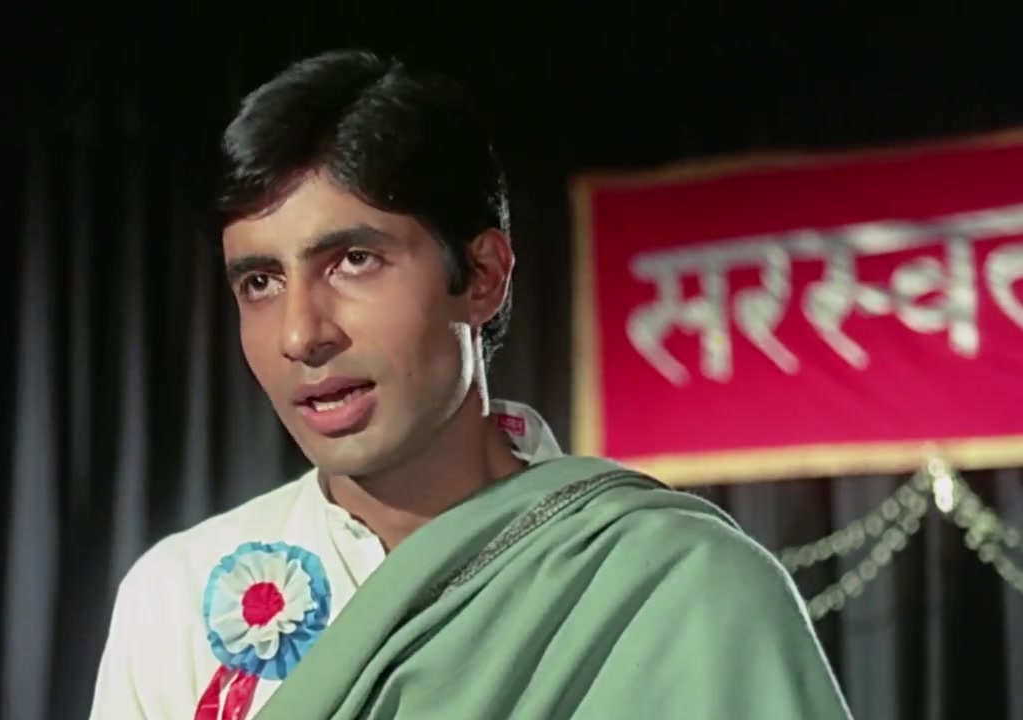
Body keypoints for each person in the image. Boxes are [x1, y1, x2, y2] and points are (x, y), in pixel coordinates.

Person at [88, 49, 854, 720]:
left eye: (354, 261)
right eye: (259, 281)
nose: (301, 334)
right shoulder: (178, 597)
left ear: (482, 275)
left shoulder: (676, 584)